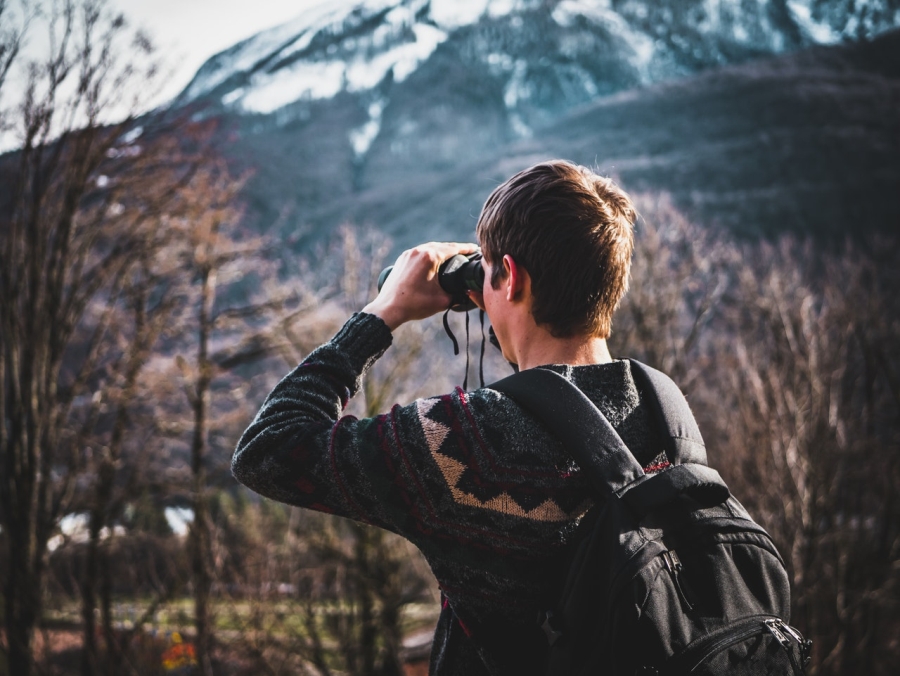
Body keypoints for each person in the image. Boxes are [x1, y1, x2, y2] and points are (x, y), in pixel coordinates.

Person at [232, 160, 667, 675]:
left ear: (511, 278)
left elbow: (269, 449)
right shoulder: (665, 418)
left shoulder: (470, 448)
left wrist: (381, 312)